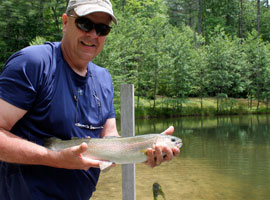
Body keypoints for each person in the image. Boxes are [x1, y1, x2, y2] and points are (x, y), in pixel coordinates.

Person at [0, 0, 180, 199]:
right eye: (85, 24)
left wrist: (142, 153)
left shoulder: (103, 78)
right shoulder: (34, 63)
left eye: (103, 29)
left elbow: (111, 140)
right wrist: (55, 158)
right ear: (65, 22)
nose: (93, 34)